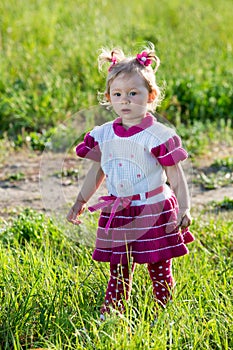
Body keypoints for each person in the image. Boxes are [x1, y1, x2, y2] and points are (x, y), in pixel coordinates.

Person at [67, 43, 194, 321]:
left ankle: (164, 311)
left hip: (154, 209)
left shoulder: (158, 135)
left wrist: (184, 207)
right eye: (118, 94)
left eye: (133, 93)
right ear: (109, 97)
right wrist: (80, 201)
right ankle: (112, 313)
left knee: (158, 263)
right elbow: (98, 171)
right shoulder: (103, 135)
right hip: (119, 211)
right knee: (119, 267)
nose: (125, 100)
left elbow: (175, 174)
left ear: (151, 96)